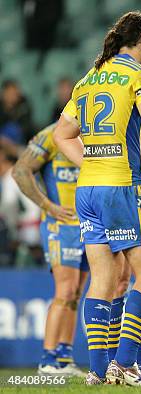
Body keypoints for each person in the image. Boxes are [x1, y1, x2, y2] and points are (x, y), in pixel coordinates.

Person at [53, 11, 141, 386]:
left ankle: (99, 372)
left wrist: (93, 161)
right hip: (124, 186)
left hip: (88, 189)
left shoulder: (88, 80)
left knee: (103, 280)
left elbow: (61, 136)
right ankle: (127, 365)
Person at [12, 123, 87, 377]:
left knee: (76, 293)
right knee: (65, 290)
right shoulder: (52, 135)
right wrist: (47, 205)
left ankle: (64, 357)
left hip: (89, 226)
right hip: (61, 226)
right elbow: (21, 171)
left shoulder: (96, 135)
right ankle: (48, 358)